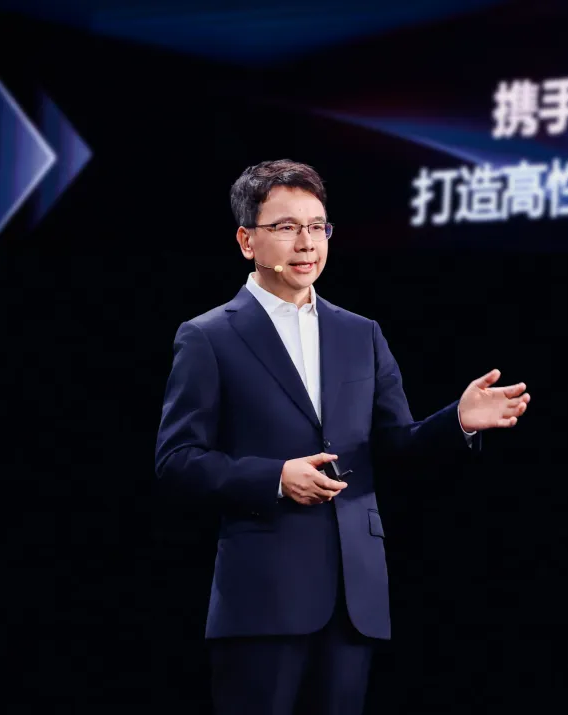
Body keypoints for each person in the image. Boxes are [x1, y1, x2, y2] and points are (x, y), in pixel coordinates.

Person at [154, 159, 530, 715]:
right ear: (247, 241)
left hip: (355, 598)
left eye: (317, 226)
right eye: (286, 227)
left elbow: (396, 445)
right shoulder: (208, 336)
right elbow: (177, 461)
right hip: (263, 597)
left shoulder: (361, 333)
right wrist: (276, 478)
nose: (306, 243)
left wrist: (457, 421)